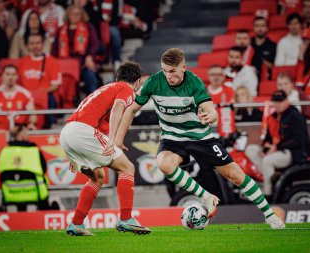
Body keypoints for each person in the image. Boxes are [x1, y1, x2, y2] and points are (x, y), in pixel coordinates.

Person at [116, 48, 285, 229]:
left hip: (200, 137)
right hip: (172, 138)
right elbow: (131, 109)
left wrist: (209, 117)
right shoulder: (153, 82)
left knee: (235, 176)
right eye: (165, 70)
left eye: (172, 71)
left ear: (183, 68)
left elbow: (212, 112)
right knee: (164, 164)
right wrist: (119, 139)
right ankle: (206, 196)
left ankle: (269, 215)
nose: (168, 76)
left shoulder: (194, 82)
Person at [60, 61, 151, 236]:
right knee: (127, 168)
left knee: (98, 177)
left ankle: (76, 224)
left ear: (118, 76)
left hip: (67, 133)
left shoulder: (106, 88)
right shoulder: (126, 89)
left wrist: (74, 153)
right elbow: (118, 108)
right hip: (83, 131)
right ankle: (125, 219)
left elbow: (99, 120)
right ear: (137, 81)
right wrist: (111, 139)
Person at [245, 90, 310, 196]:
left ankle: (268, 193)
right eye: (276, 101)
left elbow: (300, 140)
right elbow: (268, 137)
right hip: (276, 149)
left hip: (292, 152)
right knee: (251, 150)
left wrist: (277, 147)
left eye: (281, 101)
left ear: (287, 101)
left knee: (267, 160)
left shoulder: (295, 115)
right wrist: (265, 147)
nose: (278, 104)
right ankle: (271, 177)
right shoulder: (273, 117)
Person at [0, 125, 53, 211]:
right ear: (21, 135)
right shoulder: (34, 151)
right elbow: (43, 169)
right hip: (34, 192)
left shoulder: (4, 151)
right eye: (26, 132)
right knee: (42, 180)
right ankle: (44, 214)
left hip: (10, 193)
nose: (28, 135)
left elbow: (1, 172)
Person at [52, 5, 100, 94]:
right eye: (72, 14)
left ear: (82, 16)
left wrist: (89, 56)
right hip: (64, 65)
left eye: (77, 14)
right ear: (68, 15)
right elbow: (54, 49)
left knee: (90, 76)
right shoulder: (60, 29)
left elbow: (95, 44)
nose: (74, 16)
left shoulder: (88, 27)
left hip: (83, 64)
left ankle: (94, 101)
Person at [18, 33, 61, 127]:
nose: (35, 46)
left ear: (42, 44)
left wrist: (40, 93)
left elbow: (55, 85)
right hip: (26, 96)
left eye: (38, 43)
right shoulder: (22, 62)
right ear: (27, 45)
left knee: (50, 98)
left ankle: (48, 127)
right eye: (32, 43)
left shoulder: (52, 61)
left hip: (45, 95)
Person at [0, 65, 37, 129]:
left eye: (13, 74)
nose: (10, 77)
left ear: (17, 76)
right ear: (2, 75)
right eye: (7, 74)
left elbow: (33, 115)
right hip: (0, 131)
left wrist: (31, 123)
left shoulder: (25, 93)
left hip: (20, 129)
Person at [206, 65, 235, 137]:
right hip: (206, 129)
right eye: (213, 74)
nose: (216, 77)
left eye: (219, 74)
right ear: (208, 76)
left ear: (223, 76)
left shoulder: (229, 91)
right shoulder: (202, 91)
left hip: (224, 129)